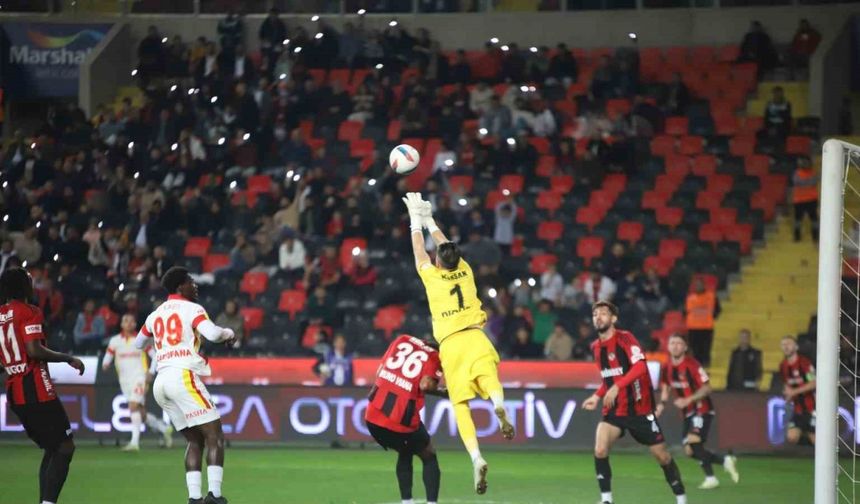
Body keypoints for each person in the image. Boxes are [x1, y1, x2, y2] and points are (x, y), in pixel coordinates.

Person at [402, 192, 514, 495]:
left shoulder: (433, 279)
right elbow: (445, 244)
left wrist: (415, 222)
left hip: (451, 344)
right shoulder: (465, 271)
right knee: (489, 379)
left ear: (439, 261)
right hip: (476, 336)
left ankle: (476, 456)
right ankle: (498, 403)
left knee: (460, 404)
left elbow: (420, 254)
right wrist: (428, 220)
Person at [135, 267, 238, 504]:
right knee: (215, 435)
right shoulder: (192, 308)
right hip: (182, 376)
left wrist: (164, 348)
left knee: (194, 440)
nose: (195, 285)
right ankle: (214, 495)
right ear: (181, 286)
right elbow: (212, 334)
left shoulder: (155, 313)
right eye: (191, 281)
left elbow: (140, 343)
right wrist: (229, 332)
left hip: (161, 382)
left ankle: (194, 498)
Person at [582, 301, 687, 504]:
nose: (599, 317)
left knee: (662, 456)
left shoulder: (625, 338)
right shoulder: (596, 348)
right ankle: (606, 499)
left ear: (613, 319)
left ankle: (681, 498)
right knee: (600, 449)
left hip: (640, 409)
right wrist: (597, 396)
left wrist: (617, 387)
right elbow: (609, 379)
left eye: (604, 313)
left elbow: (640, 367)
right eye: (595, 314)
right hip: (614, 410)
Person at [0, 267, 85, 504]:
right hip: (35, 389)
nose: (32, 283)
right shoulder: (29, 312)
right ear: (21, 286)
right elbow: (33, 349)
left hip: (15, 392)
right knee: (65, 447)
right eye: (29, 280)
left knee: (53, 447)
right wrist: (68, 358)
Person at [365, 334, 446, 504]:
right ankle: (432, 503)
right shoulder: (436, 356)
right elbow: (426, 385)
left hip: (373, 415)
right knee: (429, 454)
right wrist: (445, 393)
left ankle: (406, 502)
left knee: (405, 450)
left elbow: (380, 370)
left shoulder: (402, 339)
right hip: (400, 421)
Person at [657, 334, 739, 490]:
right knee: (690, 451)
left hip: (702, 409)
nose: (675, 346)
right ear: (668, 346)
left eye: (678, 343)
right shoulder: (666, 366)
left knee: (694, 440)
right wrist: (661, 404)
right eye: (672, 343)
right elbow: (666, 386)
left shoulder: (692, 365)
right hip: (687, 413)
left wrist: (688, 400)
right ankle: (724, 461)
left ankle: (711, 478)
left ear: (685, 347)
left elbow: (707, 387)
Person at [103, 313, 173, 451]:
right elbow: (107, 359)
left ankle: (134, 443)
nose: (128, 323)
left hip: (139, 378)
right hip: (124, 381)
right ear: (121, 324)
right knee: (140, 411)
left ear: (135, 324)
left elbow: (156, 355)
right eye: (125, 320)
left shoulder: (140, 340)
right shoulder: (115, 341)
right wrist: (105, 364)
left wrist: (151, 372)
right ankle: (163, 428)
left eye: (131, 321)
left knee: (133, 406)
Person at [779, 336, 816, 445]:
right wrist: (788, 395)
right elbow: (787, 385)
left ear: (796, 347)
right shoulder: (783, 366)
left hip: (813, 408)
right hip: (798, 409)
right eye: (783, 344)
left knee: (817, 440)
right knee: (791, 437)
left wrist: (794, 392)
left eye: (789, 344)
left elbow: (814, 383)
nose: (786, 347)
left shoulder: (804, 363)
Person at [684, 278, 720, 367]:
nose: (698, 287)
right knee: (695, 349)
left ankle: (705, 366)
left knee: (706, 348)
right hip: (693, 328)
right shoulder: (690, 298)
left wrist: (712, 316)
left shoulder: (711, 296)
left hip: (706, 327)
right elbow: (685, 311)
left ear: (704, 285)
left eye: (700, 285)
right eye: (697, 285)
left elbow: (718, 309)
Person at [792, 156, 819, 242]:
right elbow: (797, 182)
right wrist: (808, 182)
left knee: (814, 219)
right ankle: (797, 237)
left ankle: (815, 237)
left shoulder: (813, 173)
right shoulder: (797, 173)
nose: (805, 164)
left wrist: (805, 182)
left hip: (811, 199)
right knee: (798, 220)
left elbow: (813, 182)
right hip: (799, 200)